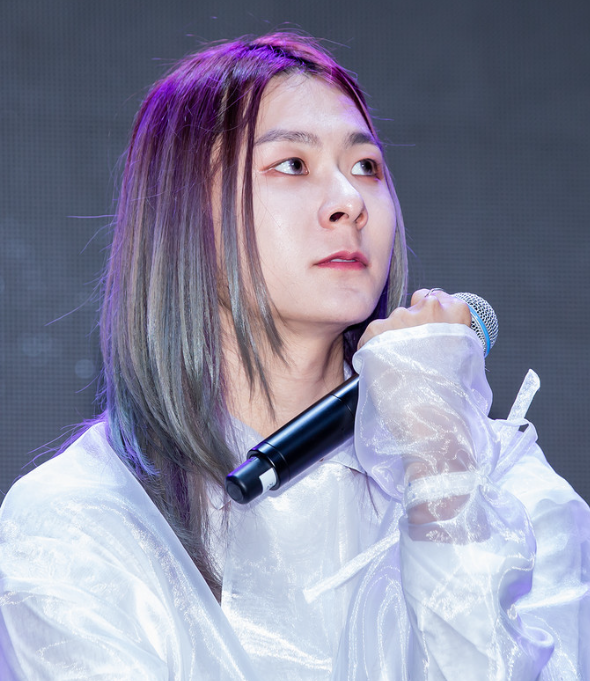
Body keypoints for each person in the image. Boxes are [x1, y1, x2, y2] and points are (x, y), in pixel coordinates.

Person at [0, 32, 588, 680]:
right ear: (184, 213)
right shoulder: (77, 521)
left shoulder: (500, 482)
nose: (350, 202)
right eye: (292, 165)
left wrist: (442, 465)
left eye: (366, 166)